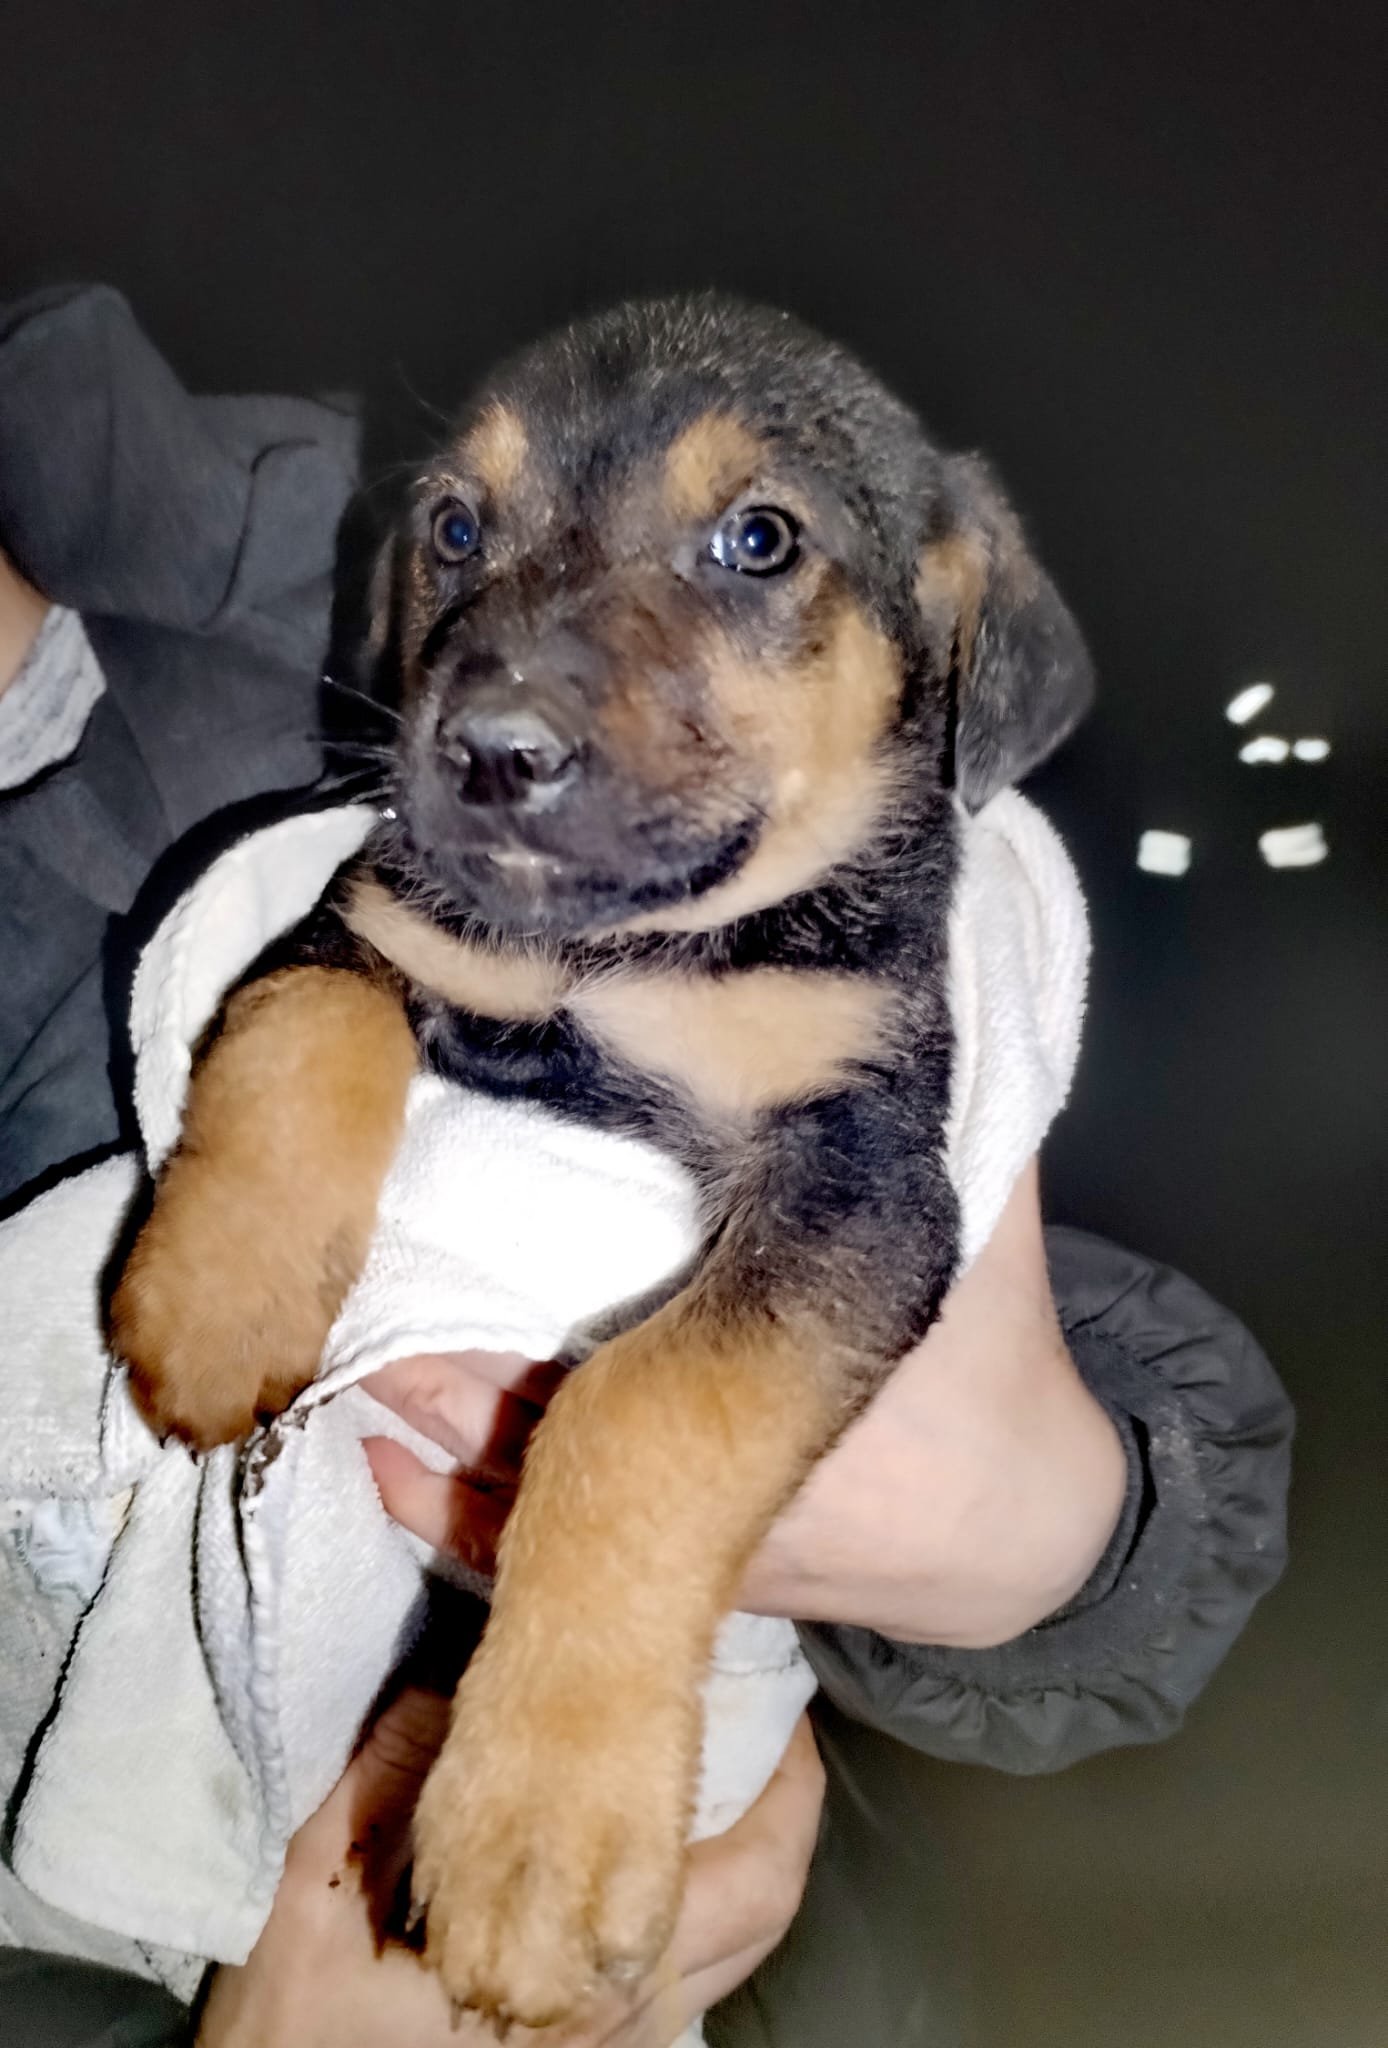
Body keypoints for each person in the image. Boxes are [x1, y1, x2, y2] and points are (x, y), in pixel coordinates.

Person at [0, 287, 1293, 2047]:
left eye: (754, 543)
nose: (509, 698)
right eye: (468, 534)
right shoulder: (421, 848)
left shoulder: (840, 937)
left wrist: (1060, 1531)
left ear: (945, 629)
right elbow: (345, 956)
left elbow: (902, 1264)